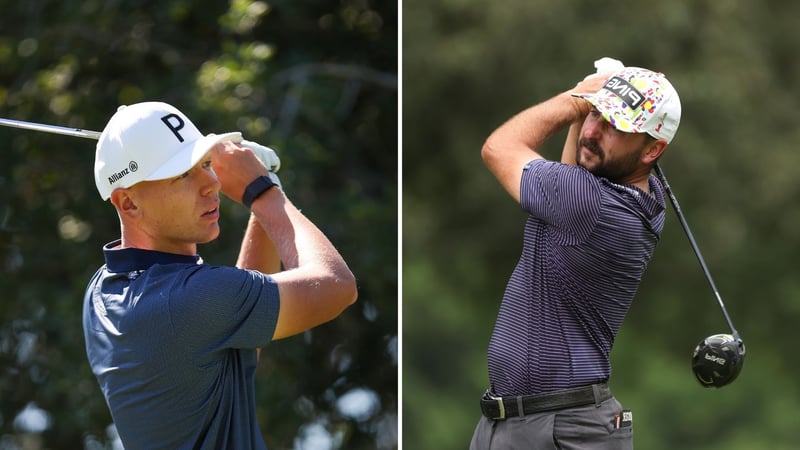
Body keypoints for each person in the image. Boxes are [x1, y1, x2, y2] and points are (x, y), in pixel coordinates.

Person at [82, 101, 358, 449]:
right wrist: (263, 191)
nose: (211, 183)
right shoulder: (187, 300)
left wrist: (264, 196)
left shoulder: (103, 290)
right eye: (183, 174)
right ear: (128, 204)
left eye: (206, 164)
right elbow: (336, 285)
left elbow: (240, 333)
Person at [469, 64, 681, 449]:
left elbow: (497, 148)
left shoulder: (593, 206)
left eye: (615, 126)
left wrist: (576, 98)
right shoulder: (641, 198)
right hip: (525, 422)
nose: (592, 131)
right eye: (596, 114)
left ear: (653, 149)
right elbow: (569, 176)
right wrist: (593, 104)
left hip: (558, 429)